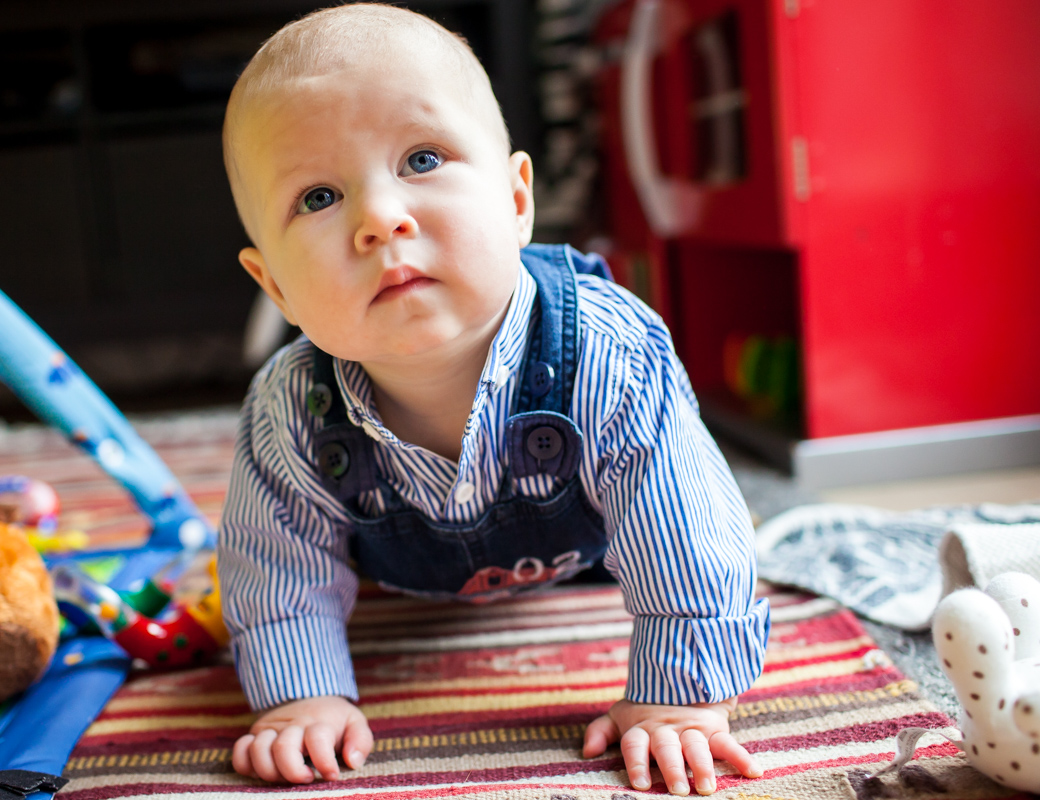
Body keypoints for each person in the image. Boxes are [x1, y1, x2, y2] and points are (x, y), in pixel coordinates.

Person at [217, 4, 769, 795]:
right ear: (276, 286)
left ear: (516, 203)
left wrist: (677, 700)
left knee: (678, 525)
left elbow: (682, 527)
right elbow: (272, 563)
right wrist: (301, 696)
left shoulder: (605, 354)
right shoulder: (290, 410)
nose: (380, 218)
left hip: (595, 548)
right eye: (317, 199)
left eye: (422, 159)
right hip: (402, 581)